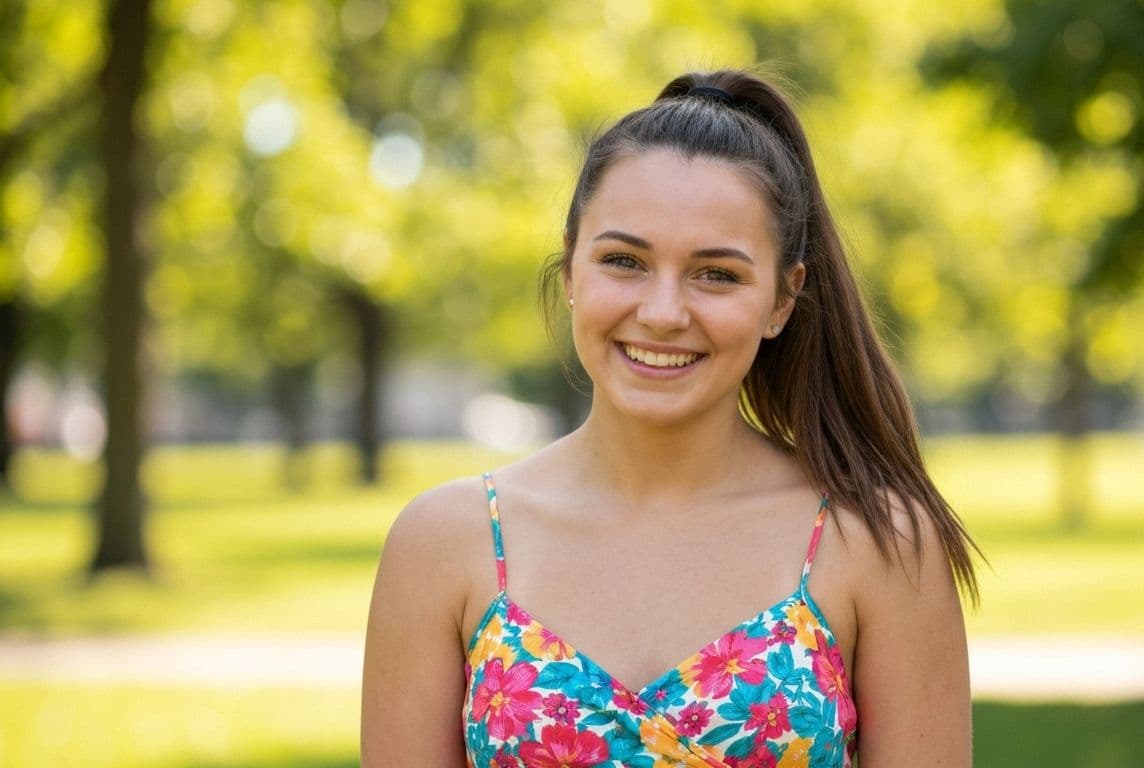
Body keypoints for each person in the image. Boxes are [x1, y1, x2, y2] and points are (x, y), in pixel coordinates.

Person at [361, 68, 979, 767]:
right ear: (571, 272)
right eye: (624, 261)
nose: (661, 313)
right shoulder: (447, 542)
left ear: (782, 298)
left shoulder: (876, 542)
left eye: (716, 273)